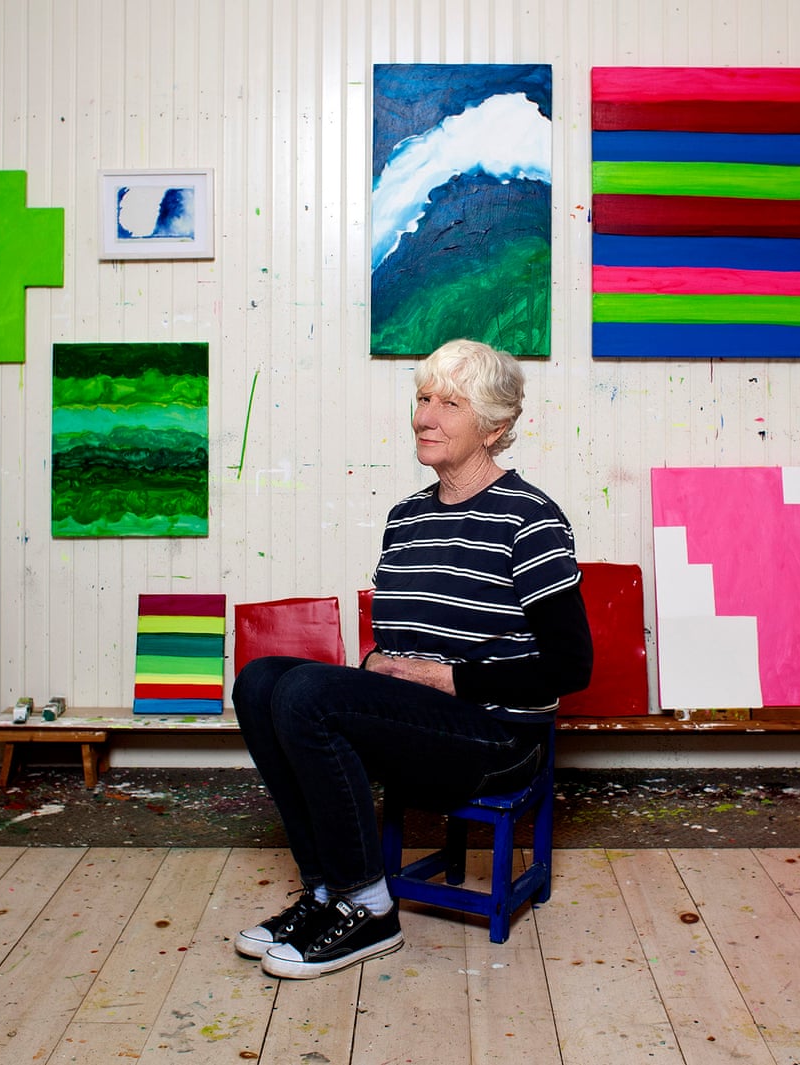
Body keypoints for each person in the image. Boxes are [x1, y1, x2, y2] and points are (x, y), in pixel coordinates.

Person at [231, 338, 593, 980]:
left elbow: (570, 666)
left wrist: (443, 678)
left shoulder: (530, 519)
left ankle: (369, 909)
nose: (425, 417)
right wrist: (379, 662)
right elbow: (407, 637)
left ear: (494, 427)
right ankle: (328, 892)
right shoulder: (406, 517)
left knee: (308, 693)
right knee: (261, 681)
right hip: (421, 724)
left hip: (496, 740)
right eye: (424, 398)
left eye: (450, 404)